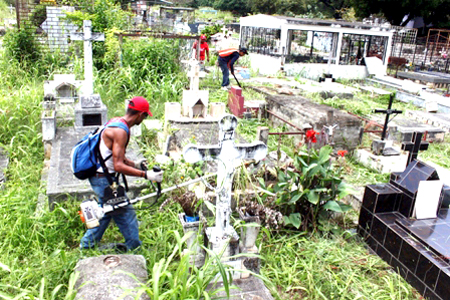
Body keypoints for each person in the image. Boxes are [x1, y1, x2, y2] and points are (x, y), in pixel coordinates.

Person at [80, 96, 163, 251]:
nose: (144, 119)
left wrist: (135, 164)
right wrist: (146, 175)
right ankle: (133, 246)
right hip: (103, 179)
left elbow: (116, 156)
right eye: (145, 116)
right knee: (123, 211)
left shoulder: (117, 122)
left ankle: (87, 246)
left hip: (102, 177)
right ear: (139, 115)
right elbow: (118, 165)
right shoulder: (121, 132)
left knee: (106, 211)